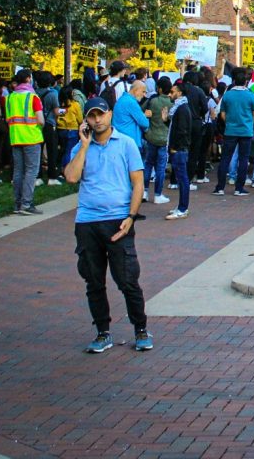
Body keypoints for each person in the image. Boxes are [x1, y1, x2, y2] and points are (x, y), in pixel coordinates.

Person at [64, 97, 152, 354]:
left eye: (101, 114)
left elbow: (138, 183)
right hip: (88, 222)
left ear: (110, 114)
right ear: (86, 119)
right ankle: (103, 332)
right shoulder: (81, 147)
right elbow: (71, 177)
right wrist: (83, 145)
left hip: (118, 221)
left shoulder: (126, 144)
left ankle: (141, 329)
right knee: (93, 281)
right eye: (92, 116)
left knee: (127, 280)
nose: (97, 120)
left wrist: (131, 217)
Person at [213, 67, 254, 197]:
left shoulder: (227, 95)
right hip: (246, 131)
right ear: (245, 81)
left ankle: (220, 187)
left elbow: (222, 114)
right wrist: (248, 123)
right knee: (243, 159)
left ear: (233, 81)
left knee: (226, 158)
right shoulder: (250, 95)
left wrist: (230, 121)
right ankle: (239, 188)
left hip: (230, 130)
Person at [6, 69, 45, 215]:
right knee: (31, 171)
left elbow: (8, 118)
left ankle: (17, 204)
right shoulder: (33, 97)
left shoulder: (10, 97)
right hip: (31, 137)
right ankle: (26, 204)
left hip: (15, 137)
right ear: (29, 79)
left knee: (18, 171)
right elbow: (40, 119)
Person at [164, 81, 195, 219]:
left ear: (180, 93)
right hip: (179, 148)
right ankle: (182, 206)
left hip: (179, 149)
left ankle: (183, 208)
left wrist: (175, 147)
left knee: (182, 179)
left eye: (173, 91)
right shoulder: (180, 108)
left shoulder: (182, 109)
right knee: (182, 178)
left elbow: (182, 130)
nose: (170, 94)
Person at [141, 77, 173, 204]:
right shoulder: (172, 104)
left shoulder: (152, 101)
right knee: (160, 167)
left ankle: (144, 191)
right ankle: (158, 194)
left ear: (159, 88)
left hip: (151, 136)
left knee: (148, 164)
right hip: (164, 139)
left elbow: (142, 111)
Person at [35, 71, 63, 186]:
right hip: (50, 124)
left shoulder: (34, 93)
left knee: (38, 151)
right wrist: (65, 110)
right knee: (52, 152)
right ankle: (52, 177)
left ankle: (38, 176)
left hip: (37, 125)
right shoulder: (53, 94)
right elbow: (57, 111)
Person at [111, 81, 150, 152]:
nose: (144, 95)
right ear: (136, 90)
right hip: (130, 141)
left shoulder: (122, 99)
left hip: (121, 139)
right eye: (143, 92)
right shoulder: (131, 102)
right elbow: (144, 123)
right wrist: (146, 117)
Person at [57, 86, 84, 170]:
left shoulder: (60, 105)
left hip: (61, 129)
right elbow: (80, 118)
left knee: (63, 149)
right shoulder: (75, 105)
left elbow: (58, 115)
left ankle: (60, 167)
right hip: (72, 129)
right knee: (70, 150)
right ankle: (66, 168)